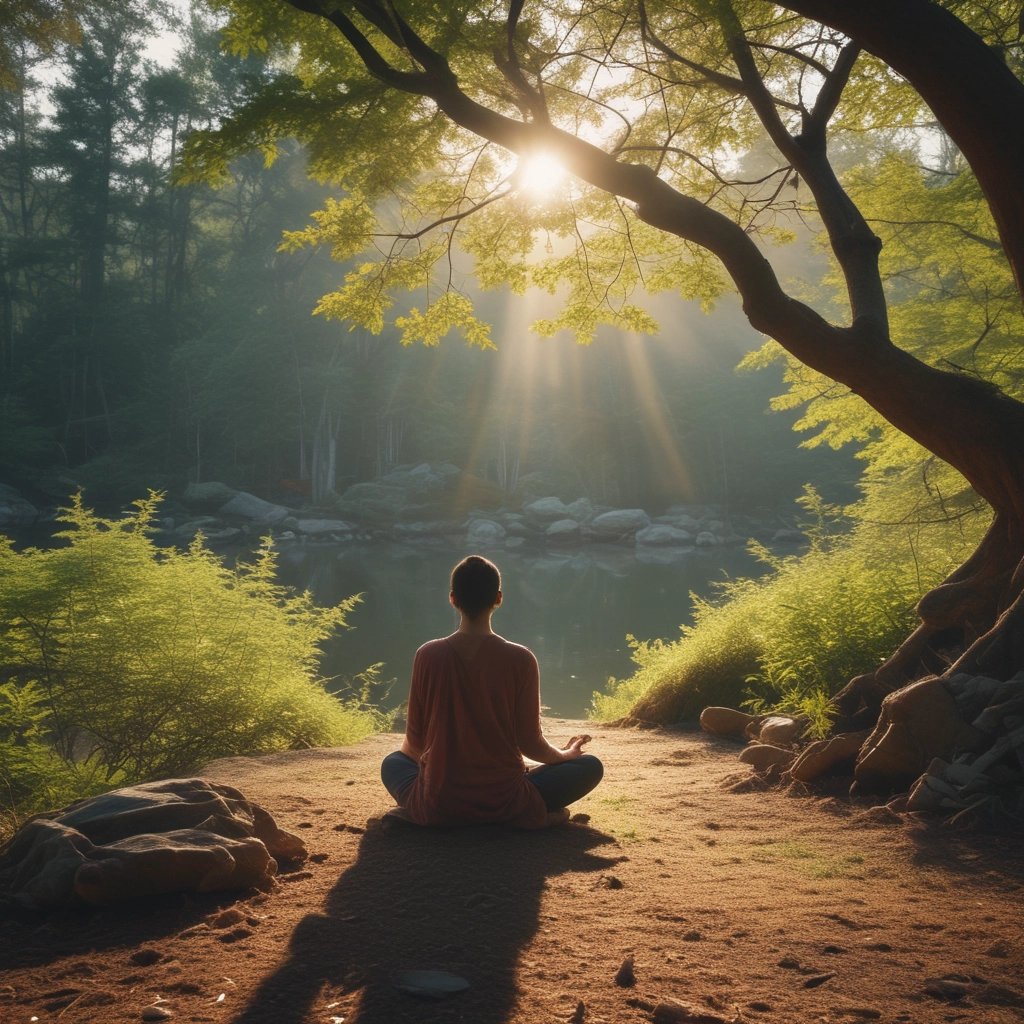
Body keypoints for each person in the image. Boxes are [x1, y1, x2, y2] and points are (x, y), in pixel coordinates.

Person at [380, 555, 603, 828]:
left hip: (440, 802)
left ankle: (426, 813)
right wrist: (566, 755)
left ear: (453, 598)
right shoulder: (521, 658)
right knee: (590, 766)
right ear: (498, 598)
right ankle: (524, 817)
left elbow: (415, 744)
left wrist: (434, 767)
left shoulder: (428, 655)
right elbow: (530, 743)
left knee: (392, 762)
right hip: (505, 800)